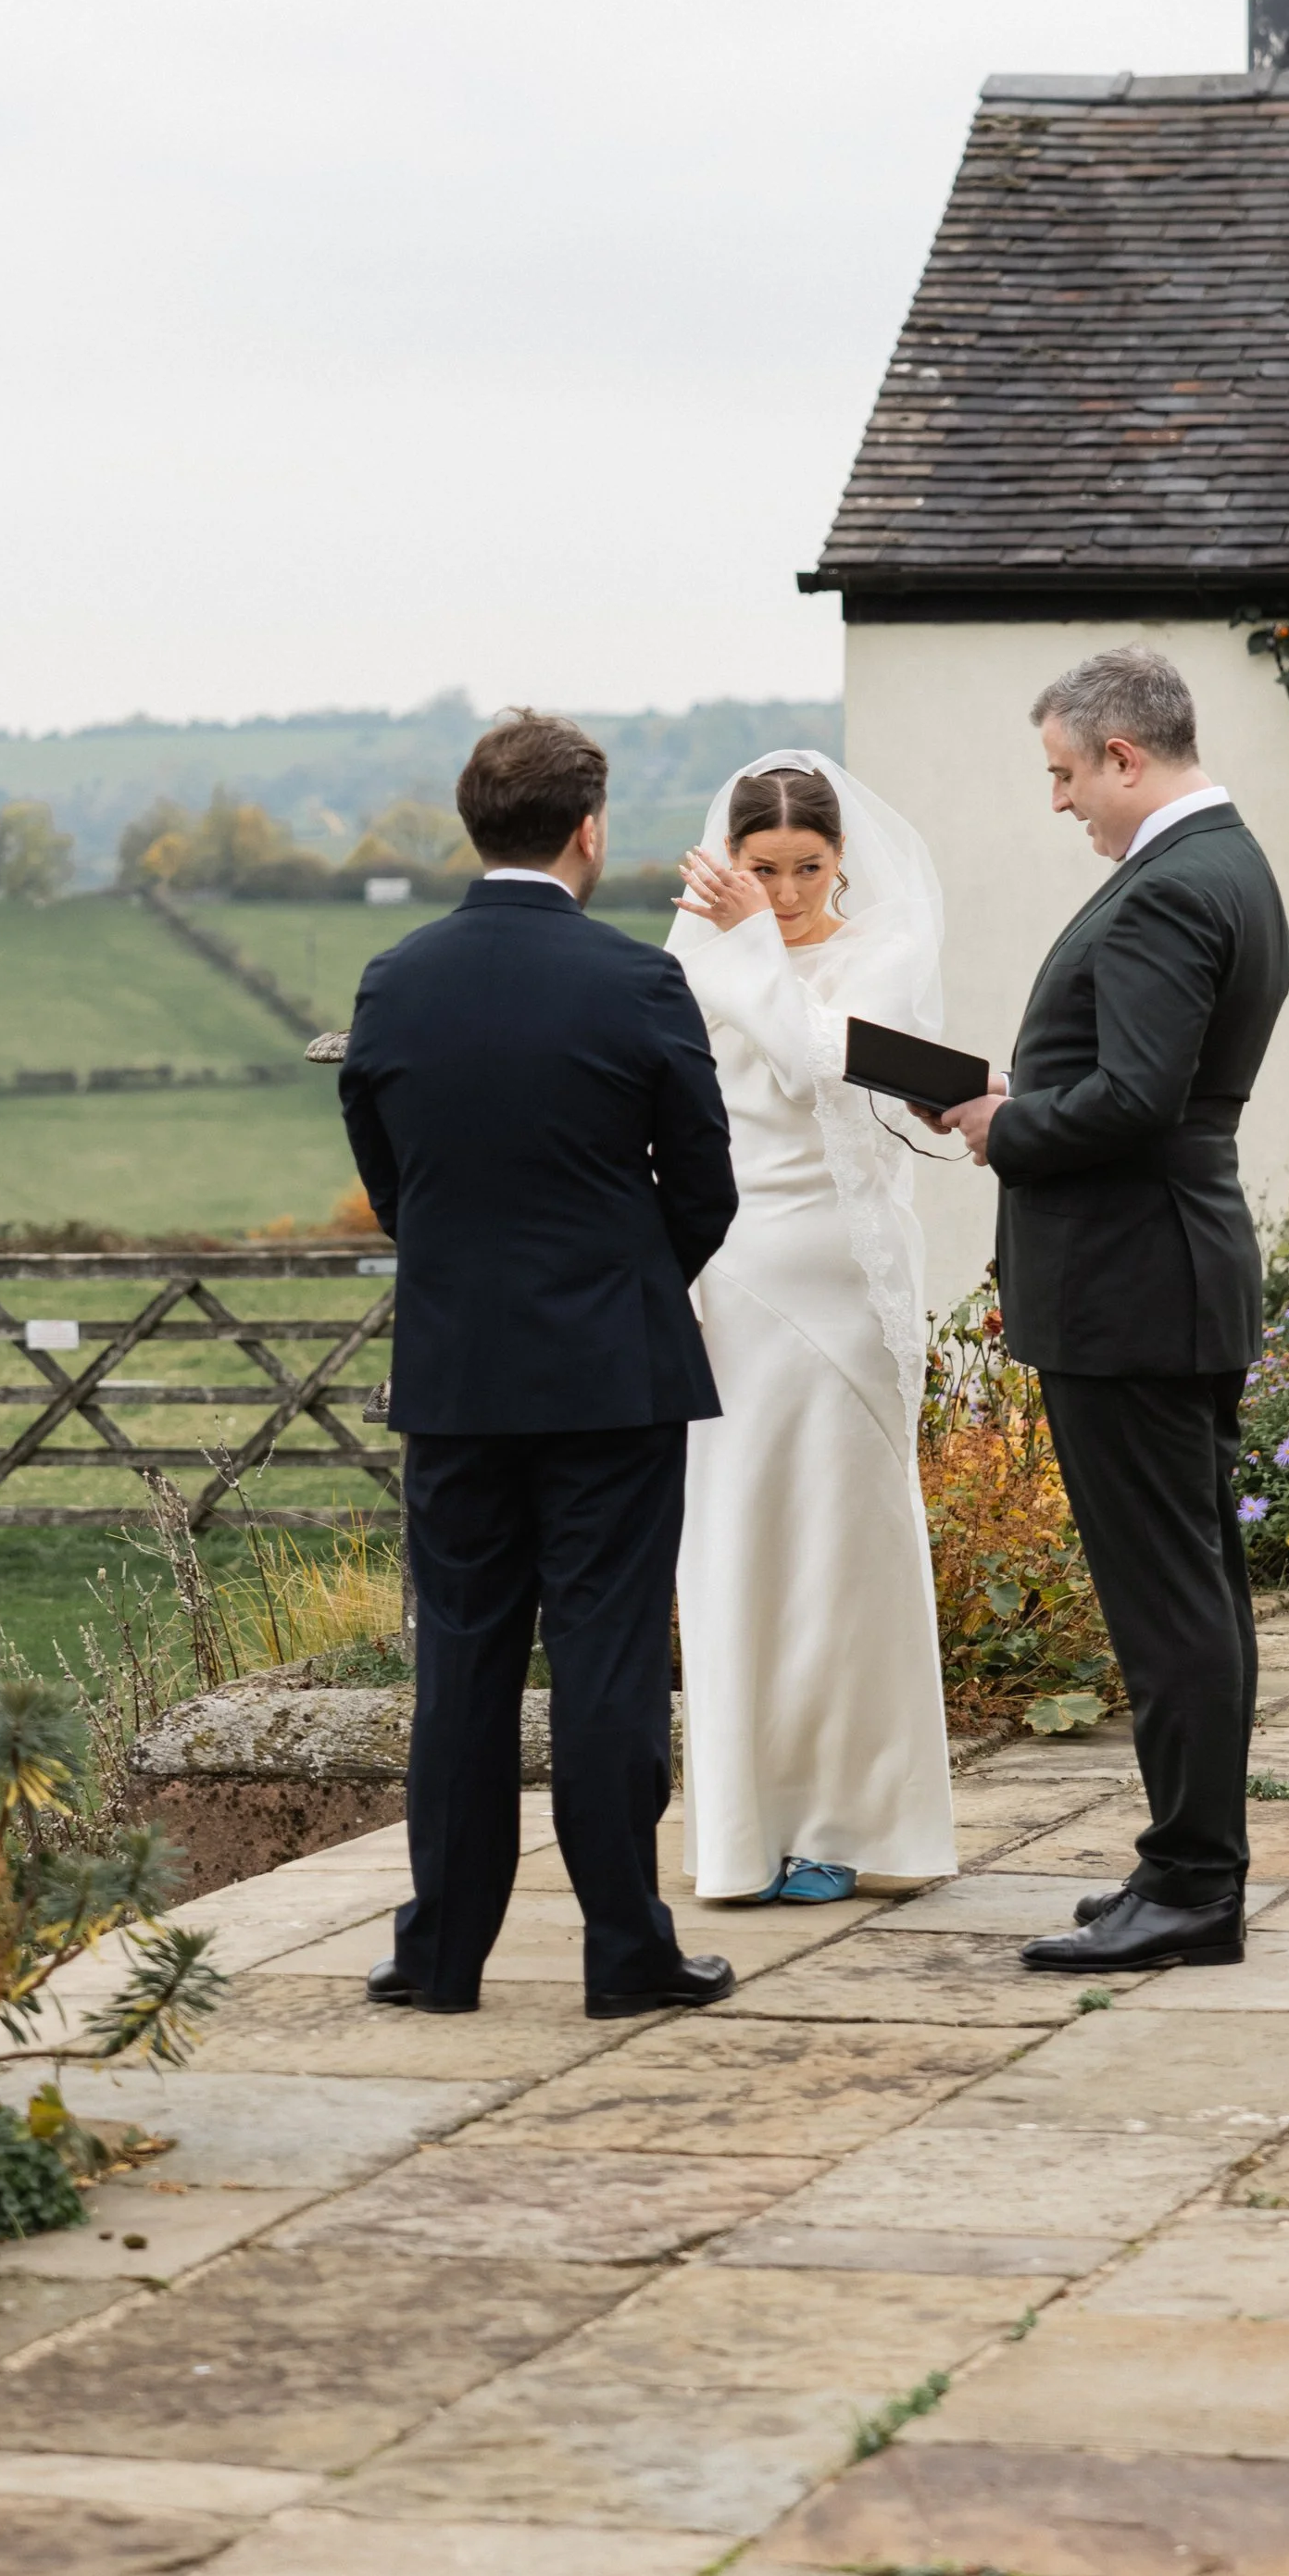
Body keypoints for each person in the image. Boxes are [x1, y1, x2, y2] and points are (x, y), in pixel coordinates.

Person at [338, 708, 741, 2017]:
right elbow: (706, 1185)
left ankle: (440, 1956)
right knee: (605, 1661)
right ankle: (624, 1950)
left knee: (461, 1664)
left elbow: (393, 1184)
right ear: (588, 829)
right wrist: (626, 1284)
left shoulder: (396, 980)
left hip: (458, 1373)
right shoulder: (635, 982)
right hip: (613, 1376)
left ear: (476, 826)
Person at [937, 646, 1289, 1976]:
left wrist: (1006, 1122)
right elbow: (1150, 1081)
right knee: (1196, 1586)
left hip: (1134, 1283)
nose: (1059, 800)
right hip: (1171, 1268)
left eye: (1065, 773)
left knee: (1169, 1601)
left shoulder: (1169, 887)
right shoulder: (1226, 862)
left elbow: (1138, 1099)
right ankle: (1187, 1860)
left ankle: (1195, 1886)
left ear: (1124, 757)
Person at [668, 755, 958, 1905]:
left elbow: (809, 1059)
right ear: (730, 860)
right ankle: (744, 1829)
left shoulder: (883, 947)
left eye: (807, 868)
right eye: (762, 870)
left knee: (845, 1547)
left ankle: (850, 1819)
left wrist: (744, 944)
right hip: (731, 1274)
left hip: (842, 1274)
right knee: (735, 1539)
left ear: (841, 860)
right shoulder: (695, 953)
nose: (785, 894)